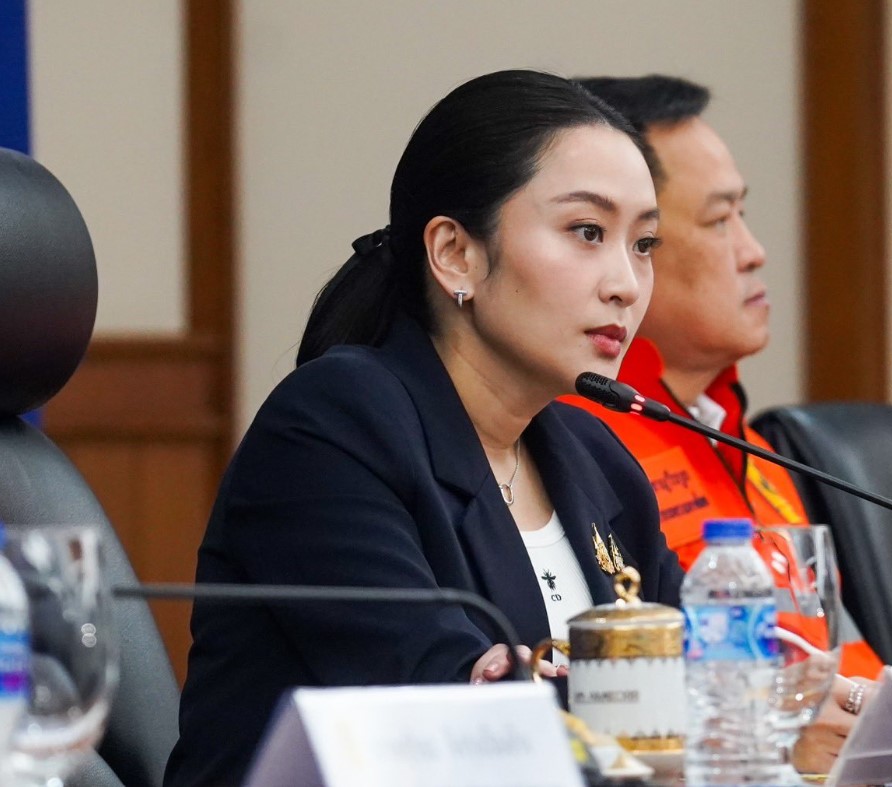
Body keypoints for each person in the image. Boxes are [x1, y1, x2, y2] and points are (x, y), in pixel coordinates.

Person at [164, 70, 682, 787]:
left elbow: (698, 685)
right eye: (586, 232)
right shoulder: (331, 427)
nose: (625, 283)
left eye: (644, 244)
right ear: (454, 254)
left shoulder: (599, 462)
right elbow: (450, 719)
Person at [564, 75, 884, 771]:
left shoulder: (753, 447)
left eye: (743, 214)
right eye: (718, 221)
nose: (753, 249)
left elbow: (846, 667)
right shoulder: (576, 446)